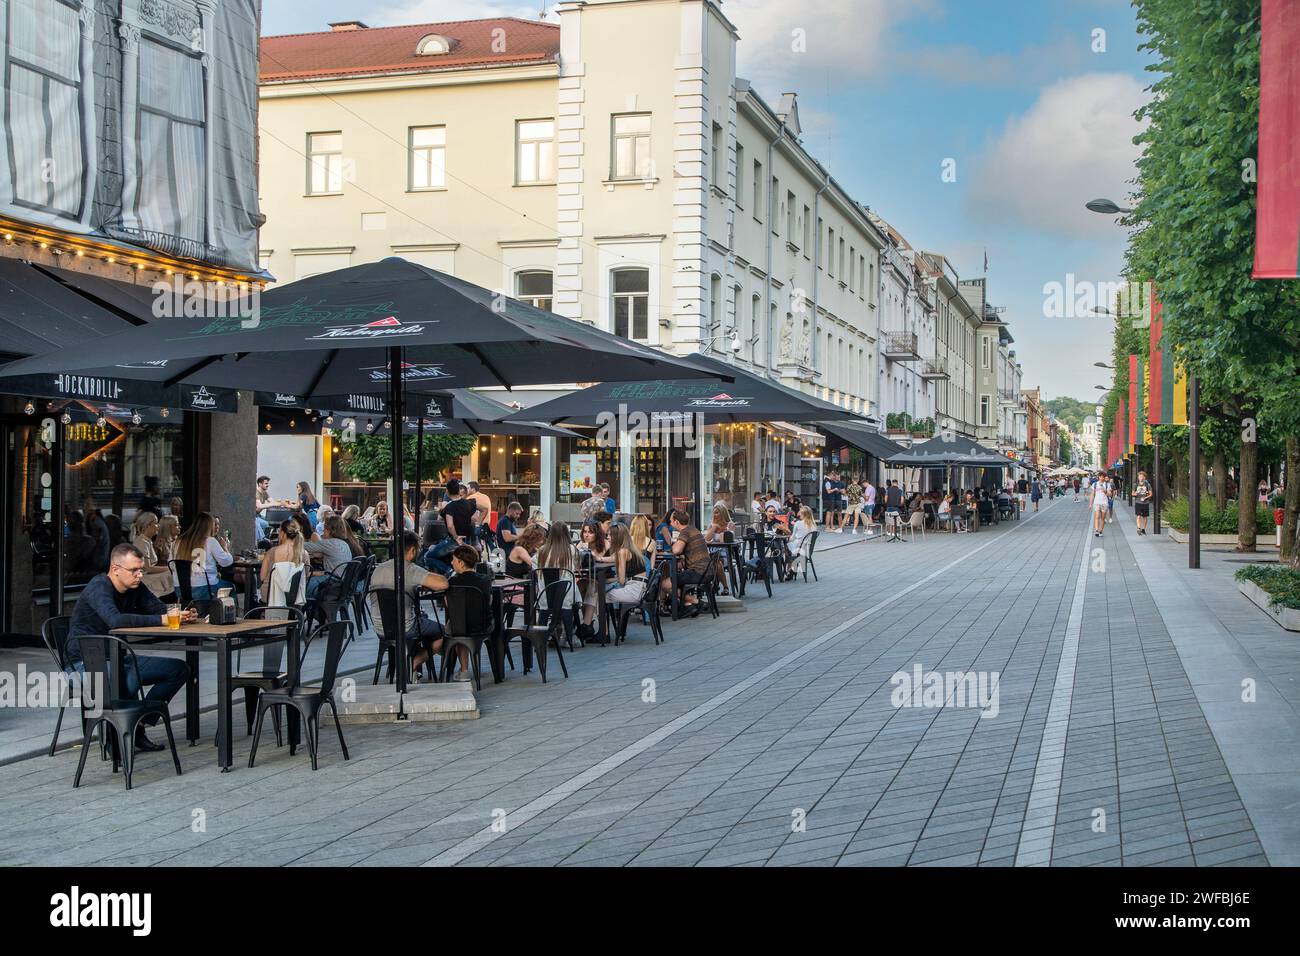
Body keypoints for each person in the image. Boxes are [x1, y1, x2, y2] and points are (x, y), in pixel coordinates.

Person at [67, 543, 194, 751]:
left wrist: (181, 614)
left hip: (119, 658)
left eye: (141, 569)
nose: (139, 575)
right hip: (83, 663)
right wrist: (162, 619)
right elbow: (115, 620)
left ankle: (139, 724)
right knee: (125, 679)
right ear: (115, 569)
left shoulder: (135, 586)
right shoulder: (99, 587)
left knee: (179, 670)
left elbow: (157, 608)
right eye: (134, 570)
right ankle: (115, 740)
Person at [367, 531, 451, 681]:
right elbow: (443, 584)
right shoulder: (410, 569)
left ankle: (411, 667)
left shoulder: (378, 569)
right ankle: (415, 661)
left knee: (420, 620)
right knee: (446, 632)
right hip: (406, 627)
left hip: (381, 628)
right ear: (412, 550)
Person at [175, 512, 234, 601]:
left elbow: (172, 565)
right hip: (204, 588)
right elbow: (226, 562)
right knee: (230, 587)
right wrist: (225, 547)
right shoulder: (210, 541)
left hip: (180, 588)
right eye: (213, 525)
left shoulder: (177, 542)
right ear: (209, 526)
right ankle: (227, 614)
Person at [659, 509, 711, 609]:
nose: (670, 523)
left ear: (676, 522)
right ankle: (689, 606)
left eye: (671, 521)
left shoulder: (685, 532)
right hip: (706, 571)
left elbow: (676, 550)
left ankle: (695, 601)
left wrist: (674, 545)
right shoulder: (694, 530)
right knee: (676, 576)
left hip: (699, 573)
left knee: (665, 584)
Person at [304, 514, 359, 596]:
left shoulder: (330, 543)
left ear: (329, 529)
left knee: (303, 587)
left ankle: (301, 607)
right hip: (343, 582)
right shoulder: (343, 543)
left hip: (333, 583)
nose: (323, 531)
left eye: (324, 528)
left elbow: (305, 546)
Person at [258, 519, 307, 605]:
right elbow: (304, 576)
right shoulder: (304, 553)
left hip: (270, 596)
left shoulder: (271, 552)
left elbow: (262, 577)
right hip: (295, 597)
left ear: (283, 534)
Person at [131, 511, 175, 600]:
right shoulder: (142, 542)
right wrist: (169, 568)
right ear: (148, 525)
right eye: (156, 523)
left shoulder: (147, 541)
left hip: (148, 576)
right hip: (144, 580)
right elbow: (147, 568)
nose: (158, 526)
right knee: (171, 574)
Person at [605, 524, 649, 607]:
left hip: (634, 591)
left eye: (610, 535)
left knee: (598, 595)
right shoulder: (627, 549)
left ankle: (594, 619)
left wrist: (608, 580)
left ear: (618, 537)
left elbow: (621, 581)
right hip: (639, 588)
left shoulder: (622, 552)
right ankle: (594, 619)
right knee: (597, 593)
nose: (607, 537)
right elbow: (608, 559)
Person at [440, 479, 481, 545]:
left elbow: (450, 526)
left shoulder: (449, 507)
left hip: (454, 541)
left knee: (429, 552)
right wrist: (478, 523)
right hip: (468, 537)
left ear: (447, 492)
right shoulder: (470, 502)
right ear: (458, 491)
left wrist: (456, 538)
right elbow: (485, 509)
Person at [786, 506, 817, 580]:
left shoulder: (798, 523)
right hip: (808, 550)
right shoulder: (814, 525)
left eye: (800, 512)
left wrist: (787, 540)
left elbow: (792, 538)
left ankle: (790, 569)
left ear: (803, 514)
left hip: (798, 548)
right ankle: (793, 568)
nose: (798, 513)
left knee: (786, 548)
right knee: (791, 549)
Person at [83, 499, 111, 574]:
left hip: (99, 562)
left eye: (87, 505)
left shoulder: (97, 524)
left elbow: (93, 542)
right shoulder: (94, 521)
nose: (85, 507)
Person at [1134, 470, 1153, 535]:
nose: (1141, 477)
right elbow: (1132, 493)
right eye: (1139, 476)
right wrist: (1136, 493)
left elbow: (1151, 494)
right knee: (1138, 516)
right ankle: (1139, 528)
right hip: (1138, 502)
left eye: (1142, 476)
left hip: (1145, 503)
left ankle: (1143, 529)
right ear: (1138, 477)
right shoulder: (1136, 484)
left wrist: (1145, 498)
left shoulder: (1147, 484)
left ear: (1144, 477)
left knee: (1145, 517)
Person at [1090, 473, 1109, 537]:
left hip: (1104, 503)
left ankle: (1101, 531)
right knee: (1097, 516)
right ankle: (1097, 530)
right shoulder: (1095, 484)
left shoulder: (1107, 484)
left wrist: (1105, 491)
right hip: (1097, 502)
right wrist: (1090, 504)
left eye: (1103, 477)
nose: (1102, 478)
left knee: (1103, 518)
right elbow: (1092, 494)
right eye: (1100, 477)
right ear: (1099, 477)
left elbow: (1110, 494)